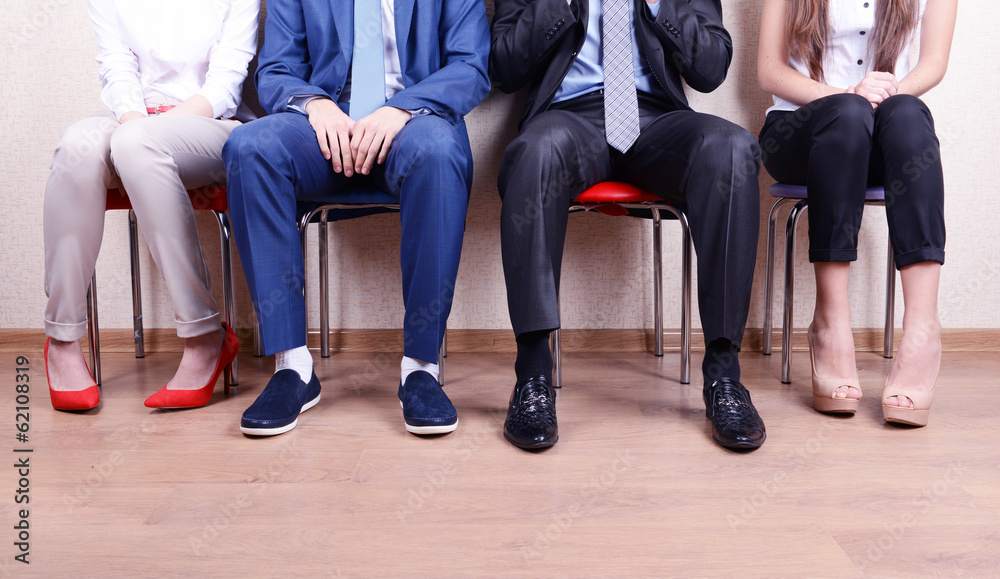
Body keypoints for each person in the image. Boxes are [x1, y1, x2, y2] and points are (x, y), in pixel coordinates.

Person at [491, 0, 766, 450]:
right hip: (568, 118)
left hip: (657, 118)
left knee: (732, 150)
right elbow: (502, 68)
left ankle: (724, 379)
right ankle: (533, 379)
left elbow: (712, 67)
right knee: (535, 152)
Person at [223, 0, 490, 436]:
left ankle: (421, 368)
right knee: (249, 148)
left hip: (412, 123)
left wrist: (401, 108)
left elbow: (471, 66)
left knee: (439, 153)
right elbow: (275, 70)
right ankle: (292, 368)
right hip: (326, 129)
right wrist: (314, 104)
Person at [43, 0, 259, 411]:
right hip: (129, 119)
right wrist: (134, 122)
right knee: (76, 149)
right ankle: (63, 339)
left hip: (209, 124)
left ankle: (204, 336)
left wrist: (145, 133)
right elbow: (117, 69)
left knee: (137, 145)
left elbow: (225, 84)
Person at [757, 0, 956, 426]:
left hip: (887, 126)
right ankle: (831, 322)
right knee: (847, 114)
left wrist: (881, 96)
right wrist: (846, 96)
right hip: (800, 132)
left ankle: (923, 329)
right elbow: (769, 71)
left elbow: (934, 62)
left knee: (908, 113)